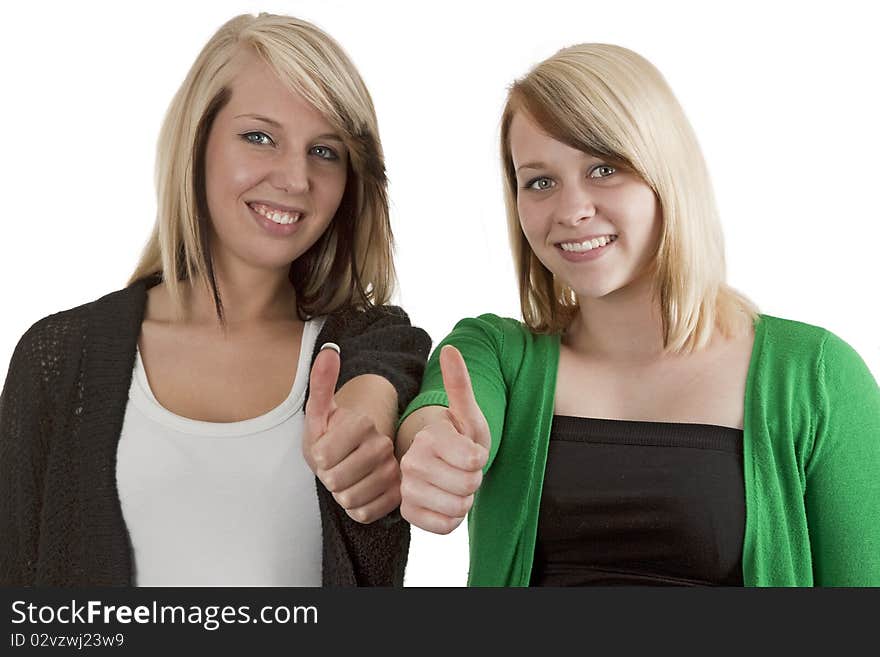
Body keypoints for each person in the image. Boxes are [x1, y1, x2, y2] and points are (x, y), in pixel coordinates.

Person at [395, 44, 880, 586]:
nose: (572, 209)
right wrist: (434, 451)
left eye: (603, 168)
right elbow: (439, 414)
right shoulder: (496, 352)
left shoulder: (814, 376)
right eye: (539, 181)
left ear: (665, 174)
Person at [0, 13, 430, 586]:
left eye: (325, 151)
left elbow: (382, 380)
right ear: (198, 142)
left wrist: (366, 432)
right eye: (260, 137)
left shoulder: (371, 345)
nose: (295, 179)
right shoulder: (61, 357)